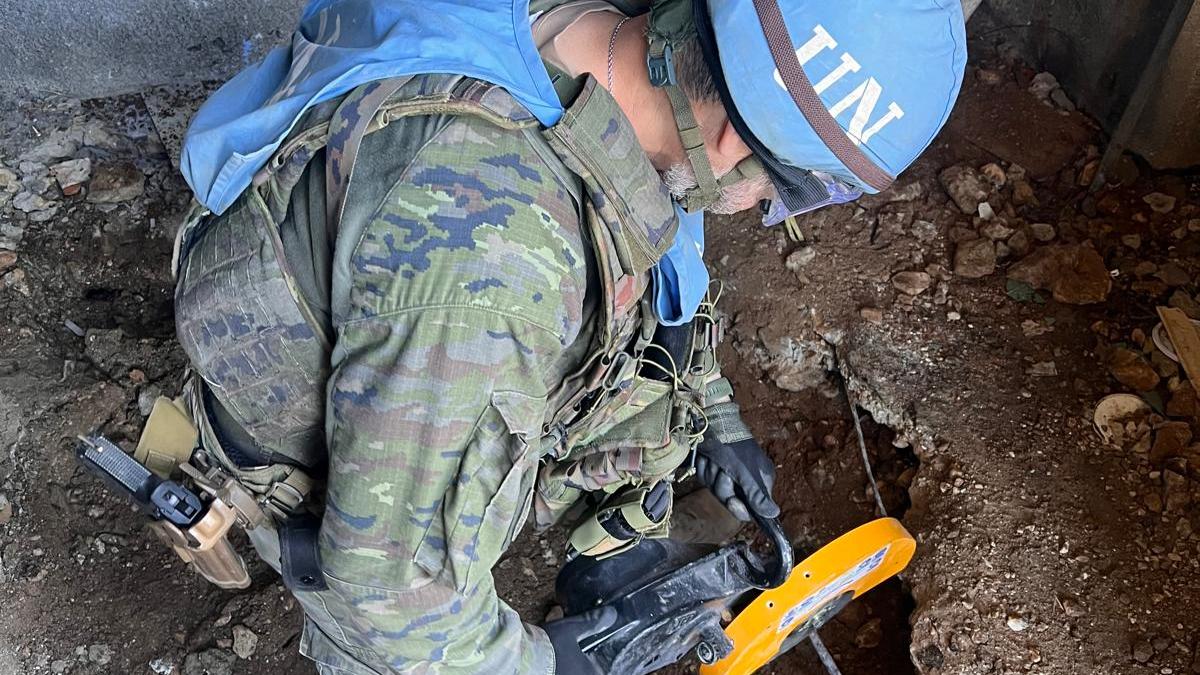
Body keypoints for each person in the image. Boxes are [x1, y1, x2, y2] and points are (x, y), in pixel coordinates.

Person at [170, 0, 966, 672]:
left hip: (404, 305)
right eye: (773, 189)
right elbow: (384, 585)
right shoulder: (501, 255)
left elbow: (670, 241)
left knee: (652, 379)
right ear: (728, 147)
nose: (758, 207)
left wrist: (717, 417)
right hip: (319, 445)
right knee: (398, 635)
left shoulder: (619, 55)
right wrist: (550, 662)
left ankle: (618, 552)